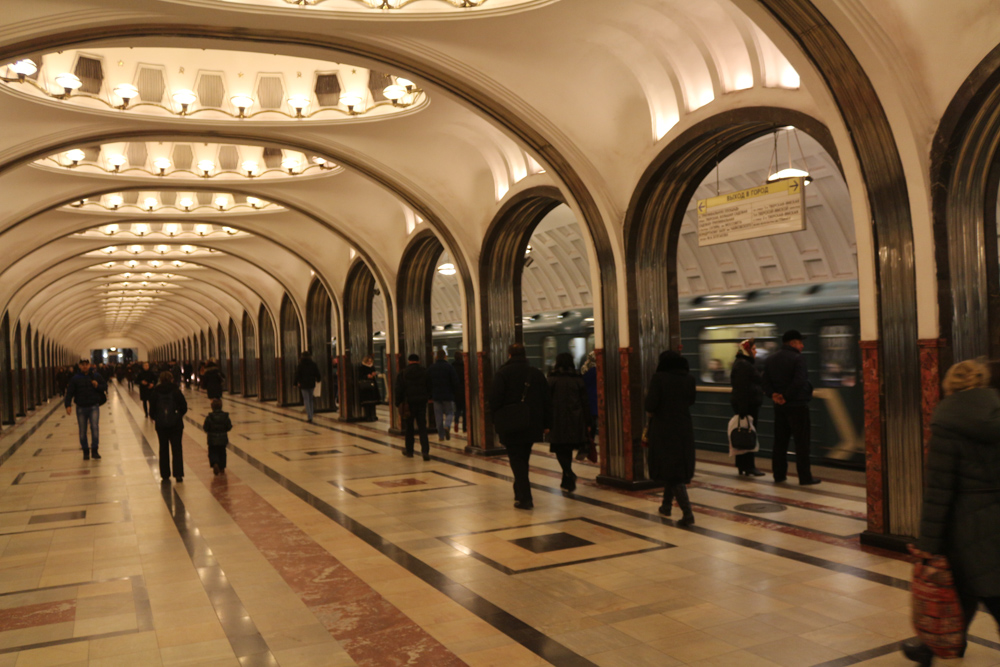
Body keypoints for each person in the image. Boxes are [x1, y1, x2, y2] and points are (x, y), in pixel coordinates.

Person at [902, 360, 1000, 666]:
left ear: (949, 386)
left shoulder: (946, 422)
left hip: (965, 523)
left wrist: (927, 543)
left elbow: (939, 490)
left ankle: (931, 648)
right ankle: (931, 648)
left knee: (983, 592)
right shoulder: (996, 415)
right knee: (965, 591)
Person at [490, 343, 550, 510]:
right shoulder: (536, 373)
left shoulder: (502, 373)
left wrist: (495, 420)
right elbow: (546, 401)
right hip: (532, 424)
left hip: (510, 424)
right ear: (525, 355)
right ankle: (519, 491)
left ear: (509, 355)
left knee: (516, 459)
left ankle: (525, 498)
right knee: (523, 458)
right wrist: (546, 424)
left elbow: (494, 400)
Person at [645, 350, 697, 525]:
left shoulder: (659, 378)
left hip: (664, 429)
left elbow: (650, 404)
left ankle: (688, 514)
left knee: (673, 473)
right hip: (684, 428)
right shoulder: (689, 379)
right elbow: (691, 401)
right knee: (673, 468)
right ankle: (666, 506)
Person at [762, 330, 819, 485]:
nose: (802, 345)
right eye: (800, 342)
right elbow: (800, 381)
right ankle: (805, 477)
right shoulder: (798, 358)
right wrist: (786, 396)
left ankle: (779, 475)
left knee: (780, 441)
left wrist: (774, 395)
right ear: (793, 343)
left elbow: (765, 382)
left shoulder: (770, 359)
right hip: (797, 405)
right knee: (802, 443)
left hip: (779, 407)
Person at [548, 352, 590, 493]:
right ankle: (567, 479)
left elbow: (546, 402)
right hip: (575, 419)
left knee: (560, 448)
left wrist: (545, 422)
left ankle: (569, 474)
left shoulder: (552, 379)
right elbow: (585, 402)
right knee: (568, 448)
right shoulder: (578, 379)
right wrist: (588, 422)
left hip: (557, 419)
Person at [730, 338, 765, 477]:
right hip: (747, 406)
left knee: (744, 434)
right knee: (748, 435)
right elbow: (742, 389)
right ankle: (749, 466)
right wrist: (743, 410)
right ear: (747, 350)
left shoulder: (742, 363)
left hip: (746, 406)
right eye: (754, 348)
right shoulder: (744, 365)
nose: (756, 351)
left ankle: (742, 465)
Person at [64, 359, 108, 460]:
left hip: (93, 406)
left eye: (86, 364)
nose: (85, 366)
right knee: (83, 430)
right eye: (82, 365)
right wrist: (68, 405)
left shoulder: (96, 376)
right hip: (81, 407)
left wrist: (97, 386)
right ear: (79, 366)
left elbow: (105, 386)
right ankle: (85, 451)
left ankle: (95, 450)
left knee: (94, 428)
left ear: (89, 365)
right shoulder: (75, 378)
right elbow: (70, 392)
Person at [150, 371, 188, 483]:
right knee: (177, 448)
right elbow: (184, 407)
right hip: (176, 425)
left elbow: (151, 410)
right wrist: (177, 415)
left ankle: (165, 474)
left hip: (161, 425)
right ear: (171, 379)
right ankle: (178, 474)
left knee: (163, 448)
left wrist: (157, 418)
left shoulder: (156, 391)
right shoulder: (176, 390)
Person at [394, 354, 431, 460]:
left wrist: (398, 403)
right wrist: (427, 397)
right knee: (422, 427)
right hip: (421, 403)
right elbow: (430, 386)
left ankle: (409, 451)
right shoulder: (424, 371)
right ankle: (425, 452)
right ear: (418, 361)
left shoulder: (403, 372)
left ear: (409, 361)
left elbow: (398, 389)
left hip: (408, 404)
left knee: (409, 428)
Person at [428, 349, 460, 441]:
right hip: (448, 395)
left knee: (438, 416)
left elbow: (428, 382)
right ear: (445, 357)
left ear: (436, 357)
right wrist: (454, 392)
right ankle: (447, 426)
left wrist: (430, 395)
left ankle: (441, 436)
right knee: (450, 413)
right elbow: (455, 381)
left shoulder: (431, 368)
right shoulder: (449, 367)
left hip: (436, 396)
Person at [203, 398, 233, 476]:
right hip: (222, 439)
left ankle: (215, 463)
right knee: (222, 452)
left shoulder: (209, 417)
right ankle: (222, 467)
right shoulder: (225, 416)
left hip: (212, 440)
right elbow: (229, 426)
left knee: (213, 452)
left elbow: (205, 427)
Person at [580, 351, 599, 460]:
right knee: (594, 422)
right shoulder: (598, 369)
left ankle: (589, 441)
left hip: (588, 400)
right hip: (596, 399)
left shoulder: (585, 368)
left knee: (590, 422)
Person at [294, 351, 322, 423]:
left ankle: (309, 416)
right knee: (310, 399)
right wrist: (318, 379)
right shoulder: (313, 364)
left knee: (306, 400)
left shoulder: (300, 365)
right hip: (311, 383)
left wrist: (295, 383)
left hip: (303, 384)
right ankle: (311, 415)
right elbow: (317, 373)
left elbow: (297, 374)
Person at [357, 355, 379, 421]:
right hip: (366, 387)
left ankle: (373, 415)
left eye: (370, 361)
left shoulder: (372, 367)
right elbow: (360, 376)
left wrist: (374, 375)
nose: (369, 362)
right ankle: (368, 416)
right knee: (367, 403)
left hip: (372, 386)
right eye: (368, 361)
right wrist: (367, 376)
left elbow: (375, 375)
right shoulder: (362, 367)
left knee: (373, 403)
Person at [452, 352, 466, 434]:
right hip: (464, 390)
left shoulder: (452, 367)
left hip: (456, 391)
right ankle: (464, 427)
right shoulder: (464, 366)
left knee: (457, 409)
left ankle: (456, 422)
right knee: (464, 410)